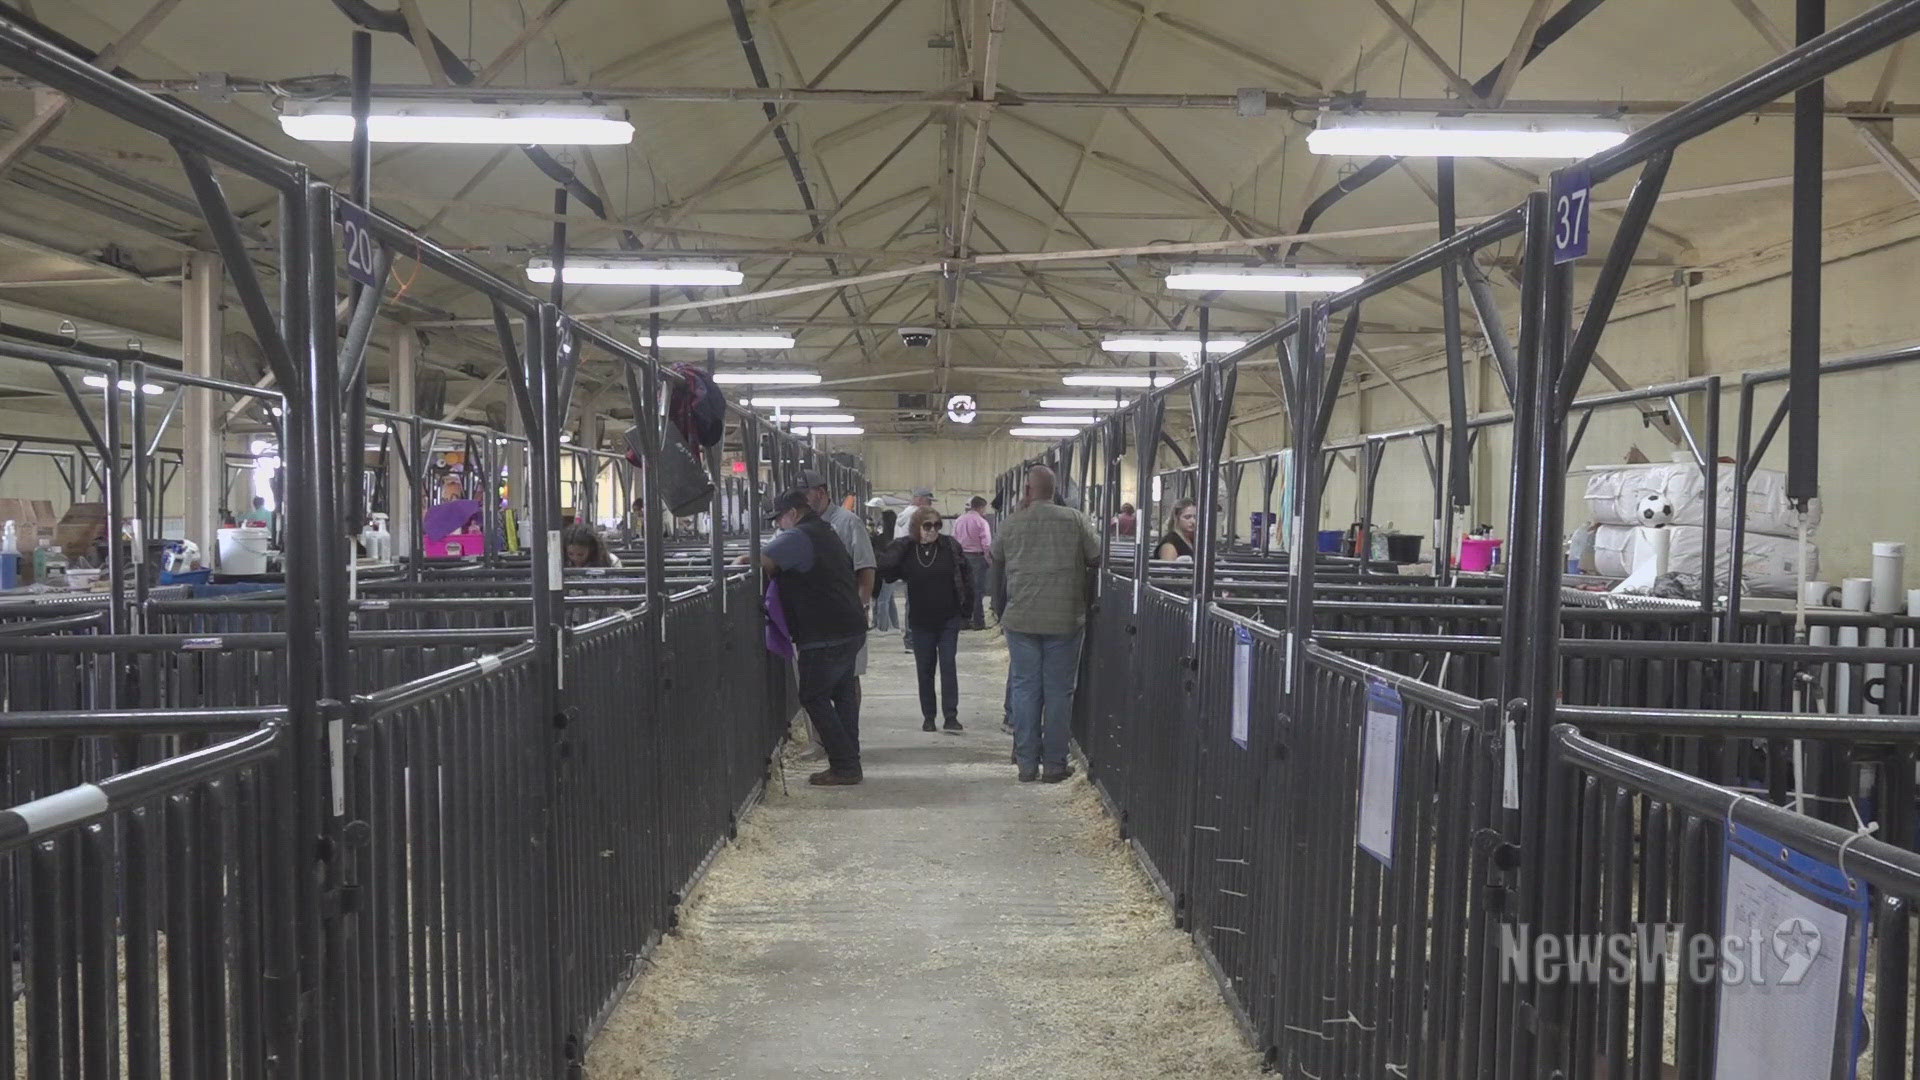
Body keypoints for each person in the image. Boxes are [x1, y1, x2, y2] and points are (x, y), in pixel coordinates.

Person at [993, 465, 1100, 783]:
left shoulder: (1013, 522)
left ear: (1027, 490)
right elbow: (1097, 556)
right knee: (1058, 692)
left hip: (1022, 617)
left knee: (1025, 689)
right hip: (1065, 618)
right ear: (1054, 490)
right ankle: (1054, 764)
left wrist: (1000, 608)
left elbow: (995, 557)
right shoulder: (1075, 520)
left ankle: (1026, 764)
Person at [759, 488, 869, 786]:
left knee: (813, 695)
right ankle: (850, 761)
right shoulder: (825, 529)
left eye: (779, 519)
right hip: (848, 625)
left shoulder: (797, 536)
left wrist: (740, 560)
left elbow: (763, 563)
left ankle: (845, 765)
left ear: (793, 513)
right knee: (842, 694)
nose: (778, 525)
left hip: (825, 631)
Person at [879, 507, 974, 732]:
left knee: (948, 666)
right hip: (921, 621)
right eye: (928, 526)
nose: (933, 530)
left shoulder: (950, 547)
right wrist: (897, 547)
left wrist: (967, 613)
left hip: (948, 618)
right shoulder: (908, 551)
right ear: (917, 527)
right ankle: (929, 716)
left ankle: (951, 716)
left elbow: (967, 578)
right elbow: (888, 569)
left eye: (937, 525)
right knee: (925, 669)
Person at [894, 486, 934, 649]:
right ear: (919, 499)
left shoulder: (903, 514)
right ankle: (913, 638)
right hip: (916, 561)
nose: (930, 505)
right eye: (928, 501)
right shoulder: (917, 515)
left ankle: (912, 637)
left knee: (912, 599)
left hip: (905, 561)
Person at [950, 496, 993, 630]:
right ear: (980, 507)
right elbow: (986, 543)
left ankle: (963, 621)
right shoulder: (981, 522)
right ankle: (978, 622)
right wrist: (989, 560)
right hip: (977, 558)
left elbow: (953, 539)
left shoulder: (959, 520)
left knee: (962, 589)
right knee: (977, 591)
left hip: (962, 557)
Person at [869, 509, 900, 631]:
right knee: (889, 599)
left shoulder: (883, 538)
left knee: (883, 600)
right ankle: (894, 624)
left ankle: (882, 627)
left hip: (884, 569)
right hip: (894, 569)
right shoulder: (896, 535)